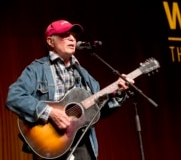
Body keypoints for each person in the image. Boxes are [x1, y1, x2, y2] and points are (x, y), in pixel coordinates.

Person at [6, 19, 134, 160]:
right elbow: (14, 97)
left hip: (83, 146)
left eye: (73, 35)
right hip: (50, 145)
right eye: (65, 35)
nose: (72, 38)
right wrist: (49, 112)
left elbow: (99, 110)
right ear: (50, 41)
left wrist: (119, 93)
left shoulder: (85, 76)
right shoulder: (37, 69)